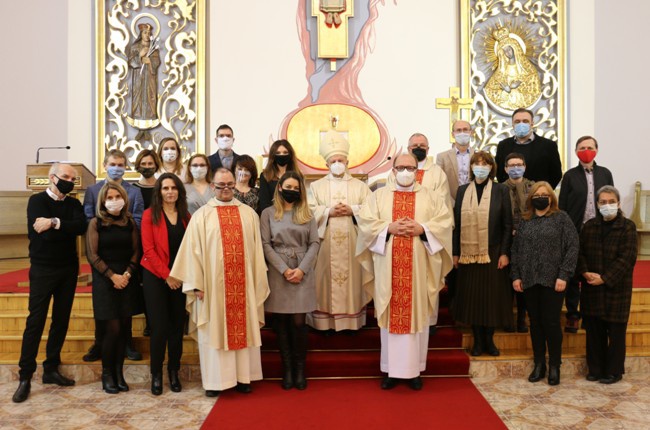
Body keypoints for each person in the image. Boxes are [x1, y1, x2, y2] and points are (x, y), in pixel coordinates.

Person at [170, 168, 270, 396]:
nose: (225, 189)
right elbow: (192, 252)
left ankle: (244, 378)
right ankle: (216, 382)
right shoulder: (202, 215)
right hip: (212, 289)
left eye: (229, 185)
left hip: (243, 287)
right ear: (213, 186)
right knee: (213, 331)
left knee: (244, 329)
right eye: (221, 185)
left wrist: (256, 283)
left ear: (235, 185)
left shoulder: (249, 214)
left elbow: (256, 254)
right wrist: (196, 284)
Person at [357, 153, 453, 391]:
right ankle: (390, 370)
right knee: (391, 316)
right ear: (393, 170)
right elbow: (366, 224)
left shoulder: (431, 197)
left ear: (417, 170)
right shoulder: (378, 196)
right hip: (388, 266)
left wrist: (423, 228)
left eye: (410, 167)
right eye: (400, 167)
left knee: (416, 316)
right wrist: (387, 228)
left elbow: (444, 223)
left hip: (419, 268)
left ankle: (414, 370)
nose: (405, 172)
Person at [12, 163, 86, 403]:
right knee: (36, 321)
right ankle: (25, 376)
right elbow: (38, 231)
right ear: (52, 177)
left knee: (61, 320)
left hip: (68, 268)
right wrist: (62, 227)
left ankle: (51, 369)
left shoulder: (74, 204)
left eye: (73, 178)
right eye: (65, 176)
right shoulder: (36, 201)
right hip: (43, 268)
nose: (69, 181)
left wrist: (53, 222)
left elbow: (81, 227)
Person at [511, 181, 579, 386]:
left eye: (545, 194)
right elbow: (515, 250)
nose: (541, 197)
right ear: (532, 198)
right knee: (536, 323)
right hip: (530, 280)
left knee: (551, 323)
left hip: (553, 281)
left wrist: (564, 275)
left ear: (551, 198)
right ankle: (539, 363)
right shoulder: (525, 221)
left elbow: (573, 246)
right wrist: (516, 275)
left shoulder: (561, 218)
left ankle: (555, 365)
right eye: (537, 194)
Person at [82, 149, 144, 363]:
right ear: (105, 164)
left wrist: (122, 231)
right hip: (102, 254)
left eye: (121, 164)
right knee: (104, 306)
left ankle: (127, 343)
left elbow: (137, 218)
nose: (116, 167)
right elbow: (89, 215)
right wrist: (108, 227)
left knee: (125, 307)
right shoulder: (92, 190)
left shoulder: (134, 192)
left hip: (125, 253)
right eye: (113, 163)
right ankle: (100, 343)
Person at [307, 132, 372, 333]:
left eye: (340, 160)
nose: (337, 163)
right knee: (323, 281)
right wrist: (328, 211)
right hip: (325, 245)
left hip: (353, 244)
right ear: (327, 164)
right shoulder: (316, 187)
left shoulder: (360, 186)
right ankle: (324, 324)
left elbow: (372, 212)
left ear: (347, 161)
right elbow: (308, 211)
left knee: (352, 280)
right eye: (333, 161)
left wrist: (353, 210)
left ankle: (351, 322)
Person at [261, 171, 320, 390]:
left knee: (298, 322)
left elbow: (314, 243)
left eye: (296, 188)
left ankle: (299, 369)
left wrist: (301, 270)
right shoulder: (268, 213)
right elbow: (265, 244)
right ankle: (286, 370)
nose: (292, 191)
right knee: (282, 323)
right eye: (288, 187)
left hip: (302, 270)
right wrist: (284, 269)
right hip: (278, 271)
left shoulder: (307, 213)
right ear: (279, 188)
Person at [453, 151, 513, 357]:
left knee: (491, 298)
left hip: (493, 252)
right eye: (477, 163)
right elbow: (457, 225)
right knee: (474, 299)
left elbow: (507, 225)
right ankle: (478, 341)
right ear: (470, 167)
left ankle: (490, 340)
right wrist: (455, 253)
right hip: (468, 253)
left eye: (485, 163)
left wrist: (505, 253)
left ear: (491, 168)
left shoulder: (501, 190)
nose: (481, 166)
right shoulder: (462, 191)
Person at [577, 185, 637, 384]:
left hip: (616, 288)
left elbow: (627, 258)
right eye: (603, 202)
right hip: (592, 286)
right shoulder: (589, 225)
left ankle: (613, 371)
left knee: (616, 333)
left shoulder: (628, 226)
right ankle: (595, 369)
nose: (607, 205)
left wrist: (605, 278)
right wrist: (585, 272)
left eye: (611, 202)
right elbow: (581, 253)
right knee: (594, 332)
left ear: (618, 203)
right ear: (597, 204)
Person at [86, 183, 140, 394]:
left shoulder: (130, 223)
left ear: (124, 199)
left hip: (127, 279)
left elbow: (136, 251)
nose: (114, 199)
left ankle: (119, 374)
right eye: (110, 197)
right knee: (111, 331)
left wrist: (127, 274)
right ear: (102, 200)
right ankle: (107, 374)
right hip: (105, 280)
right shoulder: (96, 223)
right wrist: (112, 276)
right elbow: (92, 255)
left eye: (118, 196)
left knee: (124, 329)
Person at [558, 136, 614, 333]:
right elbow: (562, 205)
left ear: (596, 150)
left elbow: (610, 199)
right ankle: (573, 314)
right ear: (576, 152)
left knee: (594, 269)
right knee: (573, 272)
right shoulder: (570, 176)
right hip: (575, 229)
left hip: (598, 230)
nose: (586, 150)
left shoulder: (605, 173)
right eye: (582, 148)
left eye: (590, 147)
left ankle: (592, 313)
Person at [141, 173, 190, 395]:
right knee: (159, 328)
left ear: (179, 191)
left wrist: (179, 275)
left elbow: (191, 248)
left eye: (173, 188)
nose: (170, 191)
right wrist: (167, 275)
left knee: (177, 327)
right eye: (165, 188)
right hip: (156, 277)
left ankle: (173, 371)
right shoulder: (149, 215)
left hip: (180, 277)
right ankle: (157, 375)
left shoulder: (185, 216)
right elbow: (148, 250)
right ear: (158, 191)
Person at [503, 152, 534, 333]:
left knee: (524, 280)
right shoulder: (499, 188)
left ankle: (522, 319)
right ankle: (508, 319)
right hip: (507, 240)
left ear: (524, 166)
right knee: (507, 283)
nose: (516, 168)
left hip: (528, 241)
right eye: (512, 165)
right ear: (506, 168)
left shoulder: (533, 187)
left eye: (519, 164)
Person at [495, 108, 562, 189]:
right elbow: (499, 174)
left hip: (538, 196)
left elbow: (556, 174)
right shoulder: (503, 145)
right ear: (512, 124)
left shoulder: (548, 145)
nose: (521, 124)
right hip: (510, 197)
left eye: (525, 121)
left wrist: (543, 192)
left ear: (532, 123)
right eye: (517, 121)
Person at [387, 133, 451, 209]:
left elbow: (442, 202)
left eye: (422, 145)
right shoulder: (397, 170)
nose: (418, 148)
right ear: (408, 149)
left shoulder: (437, 173)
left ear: (427, 150)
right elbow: (387, 196)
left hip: (425, 217)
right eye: (414, 145)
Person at [127, 22, 160, 136]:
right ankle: (140, 129)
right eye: (145, 32)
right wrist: (140, 57)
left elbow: (156, 62)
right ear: (141, 34)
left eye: (149, 33)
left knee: (150, 99)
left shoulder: (153, 47)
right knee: (138, 100)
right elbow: (131, 61)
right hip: (138, 79)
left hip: (150, 78)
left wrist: (150, 61)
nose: (147, 35)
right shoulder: (135, 47)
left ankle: (146, 130)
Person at [436, 120, 476, 202]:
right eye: (458, 130)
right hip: (451, 203)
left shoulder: (478, 155)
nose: (462, 133)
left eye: (465, 130)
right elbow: (439, 183)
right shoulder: (442, 157)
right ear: (453, 134)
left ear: (471, 132)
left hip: (474, 201)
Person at [258, 139, 301, 214]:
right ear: (273, 155)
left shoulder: (298, 175)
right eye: (278, 153)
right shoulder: (265, 175)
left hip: (294, 216)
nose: (281, 155)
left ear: (290, 154)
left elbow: (301, 200)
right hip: (273, 217)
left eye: (285, 152)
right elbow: (264, 203)